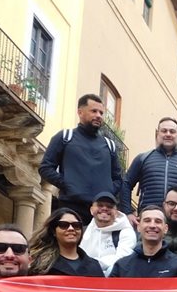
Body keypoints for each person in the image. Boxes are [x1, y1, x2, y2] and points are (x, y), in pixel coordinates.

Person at [38, 93, 124, 222]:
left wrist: (108, 190)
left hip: (100, 211)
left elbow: (118, 178)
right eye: (94, 111)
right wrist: (68, 184)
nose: (99, 116)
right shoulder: (64, 137)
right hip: (71, 207)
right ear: (80, 112)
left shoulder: (109, 145)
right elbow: (45, 168)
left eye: (101, 112)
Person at [121, 117, 177, 215]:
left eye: (172, 131)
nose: (168, 134)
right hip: (149, 221)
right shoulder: (143, 158)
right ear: (157, 134)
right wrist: (128, 213)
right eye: (164, 131)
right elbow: (126, 184)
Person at [111, 206, 177, 277]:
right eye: (147, 221)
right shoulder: (121, 267)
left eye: (158, 221)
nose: (152, 225)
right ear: (139, 227)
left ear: (165, 228)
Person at [26, 209, 105, 277]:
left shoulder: (94, 266)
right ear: (53, 231)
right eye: (63, 225)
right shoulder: (39, 263)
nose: (71, 228)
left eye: (76, 225)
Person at [80, 191, 136, 275]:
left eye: (110, 206)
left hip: (113, 282)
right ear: (91, 210)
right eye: (100, 205)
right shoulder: (82, 232)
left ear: (116, 212)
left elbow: (123, 259)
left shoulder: (126, 231)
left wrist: (90, 264)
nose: (104, 208)